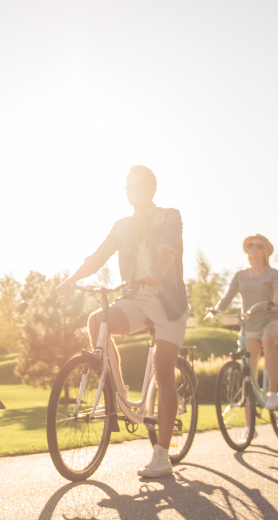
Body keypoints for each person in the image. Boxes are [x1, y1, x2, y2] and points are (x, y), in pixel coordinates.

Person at [55, 165, 189, 478]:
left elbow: (169, 247)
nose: (133, 191)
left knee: (163, 367)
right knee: (96, 321)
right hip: (135, 299)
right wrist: (71, 280)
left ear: (152, 189)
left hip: (167, 302)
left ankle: (162, 455)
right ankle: (116, 391)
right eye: (128, 186)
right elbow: (98, 256)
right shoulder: (122, 226)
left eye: (138, 186)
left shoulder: (170, 216)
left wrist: (159, 269)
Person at [214, 234, 278, 413]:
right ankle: (249, 428)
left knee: (269, 339)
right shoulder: (240, 276)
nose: (253, 248)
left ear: (266, 251)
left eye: (258, 246)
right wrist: (216, 309)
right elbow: (228, 296)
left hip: (271, 320)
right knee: (249, 373)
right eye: (250, 245)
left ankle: (272, 392)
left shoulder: (273, 274)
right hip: (250, 325)